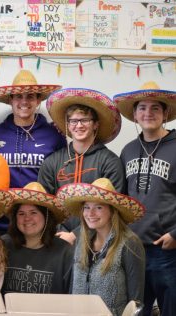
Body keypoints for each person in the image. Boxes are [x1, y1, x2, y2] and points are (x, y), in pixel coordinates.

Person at [114, 82, 176, 316]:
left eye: (155, 108)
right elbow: (121, 198)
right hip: (133, 247)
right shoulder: (128, 150)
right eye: (142, 108)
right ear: (135, 115)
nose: (148, 113)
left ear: (165, 114)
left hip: (167, 248)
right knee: (137, 310)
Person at [38, 88, 125, 244]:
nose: (79, 125)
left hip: (99, 242)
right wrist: (61, 233)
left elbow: (113, 207)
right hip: (58, 239)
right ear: (68, 125)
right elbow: (44, 205)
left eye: (85, 120)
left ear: (95, 125)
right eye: (73, 121)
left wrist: (76, 235)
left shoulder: (110, 162)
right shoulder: (52, 162)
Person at [0, 70, 65, 234]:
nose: (24, 101)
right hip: (0, 225)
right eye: (18, 96)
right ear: (10, 100)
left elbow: (60, 180)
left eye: (30, 96)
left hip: (39, 223)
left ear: (38, 100)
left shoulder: (54, 135)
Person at [57, 178, 145, 316]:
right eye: (86, 207)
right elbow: (72, 289)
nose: (90, 214)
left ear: (112, 211)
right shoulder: (82, 240)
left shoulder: (129, 243)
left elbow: (136, 301)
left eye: (98, 207)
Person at [1, 182, 73, 295]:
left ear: (47, 216)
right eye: (21, 213)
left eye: (33, 212)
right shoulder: (3, 245)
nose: (27, 218)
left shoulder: (65, 252)